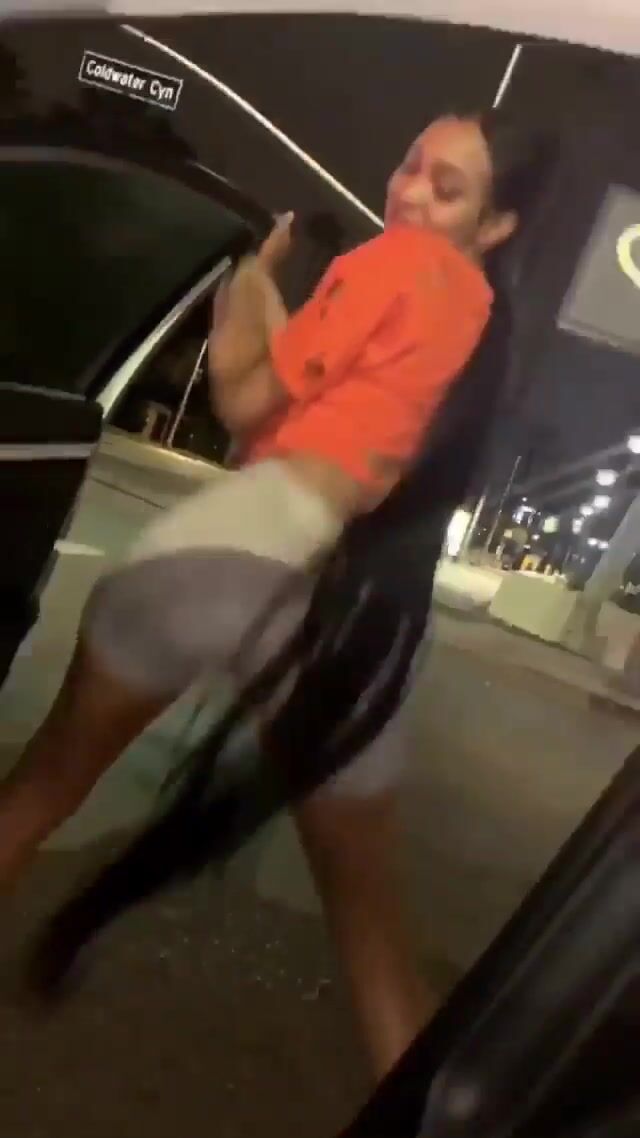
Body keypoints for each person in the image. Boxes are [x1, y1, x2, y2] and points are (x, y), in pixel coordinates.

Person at [0, 110, 555, 1080]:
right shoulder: (480, 332)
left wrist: (252, 282)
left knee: (39, 794)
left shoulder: (389, 261)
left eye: (446, 188)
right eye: (410, 164)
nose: (408, 194)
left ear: (497, 223)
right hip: (330, 599)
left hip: (219, 547)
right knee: (372, 934)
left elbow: (246, 400)